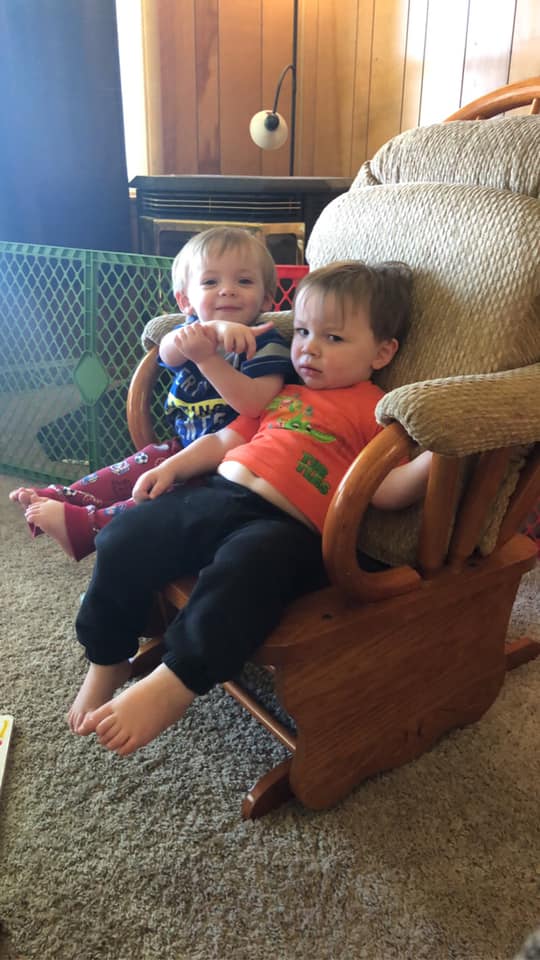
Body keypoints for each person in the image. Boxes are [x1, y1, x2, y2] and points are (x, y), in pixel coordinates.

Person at [66, 260, 432, 755]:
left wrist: (439, 453)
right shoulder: (283, 392)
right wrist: (174, 467)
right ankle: (107, 655)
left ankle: (176, 681)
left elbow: (386, 489)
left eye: (334, 338)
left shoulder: (375, 410)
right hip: (220, 494)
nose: (308, 348)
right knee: (124, 536)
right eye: (302, 331)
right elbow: (227, 436)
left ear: (382, 352)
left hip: (289, 529)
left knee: (243, 574)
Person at [9, 227, 292, 560]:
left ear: (267, 298)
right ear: (185, 300)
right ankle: (65, 495)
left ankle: (89, 526)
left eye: (244, 282)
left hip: (231, 463)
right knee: (130, 467)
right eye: (211, 282)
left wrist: (208, 359)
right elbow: (167, 353)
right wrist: (211, 332)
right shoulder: (186, 332)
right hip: (183, 443)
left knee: (159, 491)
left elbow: (255, 404)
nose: (227, 291)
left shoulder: (268, 342)